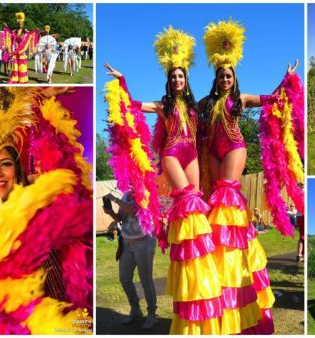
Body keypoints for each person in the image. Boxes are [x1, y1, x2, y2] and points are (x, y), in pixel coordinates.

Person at [104, 26, 223, 334]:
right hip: (172, 153)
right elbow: (132, 104)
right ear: (169, 81)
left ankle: (200, 272)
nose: (177, 80)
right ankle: (178, 249)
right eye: (173, 77)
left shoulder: (196, 107)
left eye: (181, 76)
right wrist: (122, 81)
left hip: (193, 155)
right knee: (186, 201)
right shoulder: (163, 105)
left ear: (186, 80)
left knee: (198, 209)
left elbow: (225, 100)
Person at [199, 19, 302, 334]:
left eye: (229, 75)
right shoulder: (204, 103)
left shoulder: (240, 100)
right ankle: (219, 264)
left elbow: (272, 101)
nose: (225, 78)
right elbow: (177, 108)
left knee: (228, 198)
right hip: (212, 153)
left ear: (234, 78)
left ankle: (237, 264)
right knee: (216, 205)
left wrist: (287, 79)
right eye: (221, 75)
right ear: (216, 79)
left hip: (233, 148)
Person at [0, 87, 93, 334]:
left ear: (16, 168)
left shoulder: (37, 197)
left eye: (5, 164)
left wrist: (43, 104)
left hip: (72, 320)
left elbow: (71, 180)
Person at [103, 191, 158, 330]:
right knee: (124, 278)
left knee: (145, 280)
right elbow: (122, 217)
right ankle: (135, 310)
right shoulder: (126, 195)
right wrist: (111, 213)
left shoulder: (145, 192)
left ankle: (152, 314)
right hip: (127, 243)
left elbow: (134, 211)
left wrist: (114, 199)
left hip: (144, 242)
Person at [3, 12, 33, 84]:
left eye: (21, 23)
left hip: (21, 52)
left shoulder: (25, 32)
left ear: (23, 24)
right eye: (19, 23)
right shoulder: (15, 31)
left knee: (21, 67)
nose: (20, 24)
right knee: (15, 67)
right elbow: (9, 35)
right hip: (15, 52)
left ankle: (22, 80)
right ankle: (15, 79)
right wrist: (7, 28)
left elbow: (30, 36)